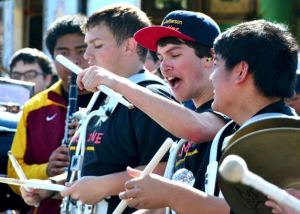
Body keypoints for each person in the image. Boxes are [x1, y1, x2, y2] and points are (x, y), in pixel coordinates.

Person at [118, 19, 298, 213]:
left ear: (240, 71)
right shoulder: (230, 133)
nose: (212, 76)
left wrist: (170, 194)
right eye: (160, 57)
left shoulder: (284, 140)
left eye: (217, 64)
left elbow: (239, 210)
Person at [69, 10, 228, 213]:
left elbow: (197, 128)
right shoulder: (184, 122)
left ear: (210, 57)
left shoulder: (225, 113)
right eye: (160, 57)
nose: (164, 67)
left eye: (175, 54)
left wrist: (117, 83)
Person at [60, 3, 177, 213]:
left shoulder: (151, 97)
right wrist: (52, 187)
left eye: (96, 45)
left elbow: (167, 167)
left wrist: (103, 186)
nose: (87, 54)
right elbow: (95, 167)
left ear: (129, 46)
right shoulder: (102, 95)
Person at [7, 14, 101, 214]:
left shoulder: (113, 101)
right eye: (63, 53)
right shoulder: (34, 107)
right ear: (53, 57)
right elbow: (14, 172)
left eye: (82, 50)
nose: (74, 60)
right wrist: (47, 170)